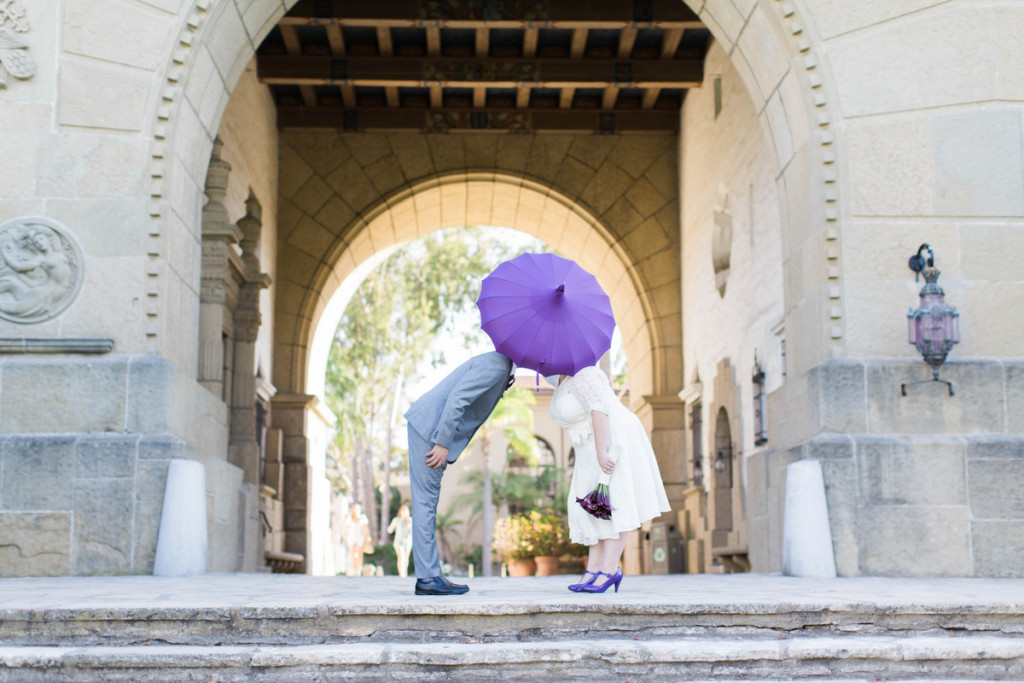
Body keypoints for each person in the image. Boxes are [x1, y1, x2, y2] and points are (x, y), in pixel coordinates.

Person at [547, 365, 671, 593]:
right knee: (594, 507)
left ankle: (610, 569)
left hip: (610, 441)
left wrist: (602, 452)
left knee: (612, 503)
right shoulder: (560, 380)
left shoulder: (585, 372)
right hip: (586, 449)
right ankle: (594, 568)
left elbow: (600, 409)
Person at [404, 351, 515, 595]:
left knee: (425, 501)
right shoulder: (497, 365)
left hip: (426, 427)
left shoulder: (500, 366)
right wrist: (442, 442)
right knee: (425, 502)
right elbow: (457, 399)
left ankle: (429, 575)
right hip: (431, 433)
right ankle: (428, 578)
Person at [343, 503, 372, 577]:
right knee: (352, 553)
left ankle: (358, 569)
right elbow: (346, 528)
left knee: (359, 554)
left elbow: (366, 528)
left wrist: (368, 536)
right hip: (351, 538)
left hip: (360, 538)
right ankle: (354, 569)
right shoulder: (350, 518)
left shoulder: (363, 517)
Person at [387, 504, 414, 578]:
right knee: (401, 556)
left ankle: (405, 572)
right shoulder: (396, 520)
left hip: (407, 541)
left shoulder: (411, 520)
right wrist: (392, 527)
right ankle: (401, 573)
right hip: (398, 541)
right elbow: (390, 529)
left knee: (405, 558)